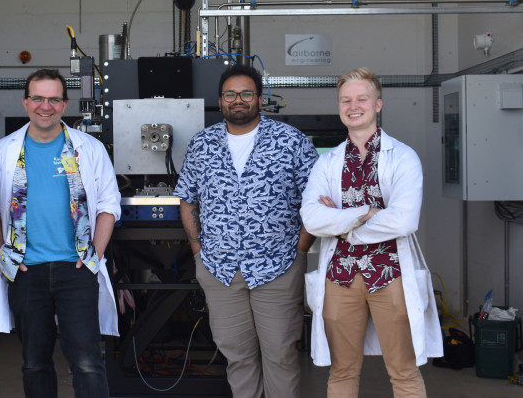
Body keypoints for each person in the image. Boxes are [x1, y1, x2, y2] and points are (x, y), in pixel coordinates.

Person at [174, 63, 319, 398]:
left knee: (281, 356)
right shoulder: (203, 144)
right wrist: (198, 251)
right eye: (230, 94)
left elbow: (315, 200)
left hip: (279, 267)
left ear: (259, 98)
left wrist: (299, 252)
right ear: (220, 100)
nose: (237, 100)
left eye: (246, 93)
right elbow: (187, 199)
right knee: (237, 357)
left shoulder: (290, 140)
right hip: (219, 270)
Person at [301, 67, 443, 398]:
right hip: (340, 277)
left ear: (377, 104)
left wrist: (341, 224)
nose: (353, 106)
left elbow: (404, 221)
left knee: (404, 372)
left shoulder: (403, 158)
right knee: (342, 371)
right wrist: (365, 213)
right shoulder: (327, 163)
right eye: (346, 100)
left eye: (362, 98)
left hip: (390, 273)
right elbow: (311, 218)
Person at [0, 68, 121, 398]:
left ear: (65, 104)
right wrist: (4, 256)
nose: (46, 106)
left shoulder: (88, 148)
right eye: (38, 98)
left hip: (77, 269)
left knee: (86, 362)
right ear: (26, 102)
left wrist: (95, 256)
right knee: (34, 362)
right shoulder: (5, 150)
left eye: (54, 99)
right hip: (27, 271)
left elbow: (109, 205)